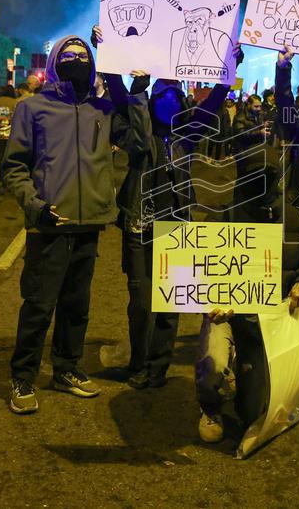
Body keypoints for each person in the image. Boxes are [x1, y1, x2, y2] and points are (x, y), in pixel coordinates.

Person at [195, 47, 299, 443]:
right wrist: (284, 68)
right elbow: (284, 105)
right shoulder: (237, 212)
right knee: (218, 360)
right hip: (238, 301)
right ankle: (213, 399)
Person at [91, 24, 239, 391]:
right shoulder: (132, 128)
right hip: (139, 228)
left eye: (174, 92)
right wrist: (109, 56)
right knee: (141, 303)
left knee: (170, 304)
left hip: (176, 230)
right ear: (150, 96)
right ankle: (138, 364)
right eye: (162, 91)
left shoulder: (189, 133)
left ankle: (157, 368)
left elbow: (216, 101)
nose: (168, 98)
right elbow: (119, 96)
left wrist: (227, 69)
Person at [2, 35, 118, 414]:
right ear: (54, 63)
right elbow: (15, 167)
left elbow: (139, 129)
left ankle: (66, 368)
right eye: (68, 56)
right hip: (49, 224)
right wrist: (36, 207)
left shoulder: (103, 109)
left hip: (89, 225)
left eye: (84, 55)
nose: (77, 60)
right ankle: (22, 376)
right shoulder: (32, 108)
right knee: (38, 305)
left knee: (76, 305)